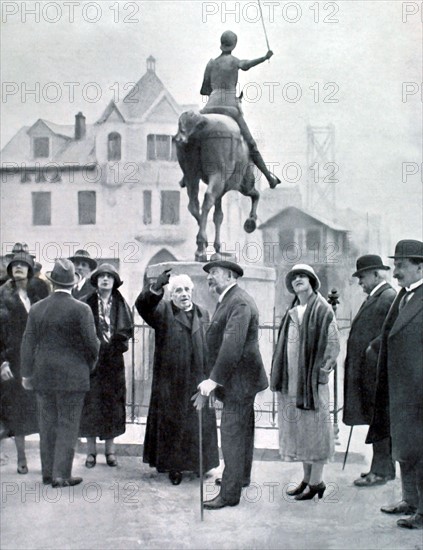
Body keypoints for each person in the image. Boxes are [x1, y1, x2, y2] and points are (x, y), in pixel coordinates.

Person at [20, 259, 100, 487]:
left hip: (42, 376)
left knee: (47, 425)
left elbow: (27, 344)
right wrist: (88, 366)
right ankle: (61, 475)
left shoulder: (37, 309)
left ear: (53, 283)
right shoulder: (82, 309)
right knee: (68, 425)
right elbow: (92, 345)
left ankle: (47, 474)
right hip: (73, 378)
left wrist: (26, 374)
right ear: (73, 282)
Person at [135, 270, 219, 485]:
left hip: (197, 378)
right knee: (174, 424)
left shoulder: (203, 313)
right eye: (178, 290)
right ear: (171, 295)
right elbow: (143, 306)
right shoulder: (163, 312)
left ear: (192, 292)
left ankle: (200, 464)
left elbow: (209, 348)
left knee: (198, 423)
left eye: (187, 290)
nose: (183, 294)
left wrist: (210, 379)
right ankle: (175, 467)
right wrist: (155, 288)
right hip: (171, 382)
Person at [198, 254, 268, 509]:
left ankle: (229, 494)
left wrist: (213, 379)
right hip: (243, 379)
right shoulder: (231, 298)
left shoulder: (238, 302)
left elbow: (232, 345)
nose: (209, 276)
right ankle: (240, 478)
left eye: (214, 271)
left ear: (230, 275)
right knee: (243, 432)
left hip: (239, 381)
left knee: (231, 434)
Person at [270, 264, 340, 501]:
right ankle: (307, 480)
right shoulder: (293, 310)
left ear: (311, 281)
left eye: (302, 276)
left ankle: (317, 481)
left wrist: (321, 374)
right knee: (300, 432)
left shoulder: (322, 309)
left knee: (316, 432)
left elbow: (333, 345)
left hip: (311, 385)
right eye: (294, 277)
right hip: (292, 382)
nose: (298, 279)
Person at [368, 240, 423, 529]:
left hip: (417, 389)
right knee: (405, 447)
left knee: (421, 450)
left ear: (420, 266)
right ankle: (409, 499)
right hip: (397, 386)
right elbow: (393, 332)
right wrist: (375, 346)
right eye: (396, 264)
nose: (396, 270)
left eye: (402, 265)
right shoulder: (404, 295)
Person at [199, 30, 281, 189]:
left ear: (221, 43)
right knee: (251, 143)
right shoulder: (234, 61)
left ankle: (186, 175)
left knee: (192, 134)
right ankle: (269, 177)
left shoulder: (211, 63)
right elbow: (246, 65)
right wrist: (265, 58)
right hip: (230, 107)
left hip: (209, 108)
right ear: (234, 45)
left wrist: (216, 90)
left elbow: (203, 90)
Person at [343, 255, 396, 487]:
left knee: (380, 421)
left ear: (376, 274)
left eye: (362, 277)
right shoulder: (376, 297)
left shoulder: (388, 298)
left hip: (376, 373)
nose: (360, 282)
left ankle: (382, 472)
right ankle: (380, 468)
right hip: (369, 372)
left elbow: (389, 336)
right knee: (377, 420)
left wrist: (369, 353)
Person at [79, 264, 134, 468]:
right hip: (92, 361)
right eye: (101, 276)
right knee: (91, 404)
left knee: (112, 404)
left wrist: (115, 344)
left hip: (113, 361)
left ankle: (110, 452)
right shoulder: (87, 303)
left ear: (114, 281)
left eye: (109, 277)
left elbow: (127, 330)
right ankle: (91, 453)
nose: (105, 280)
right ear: (96, 281)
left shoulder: (121, 304)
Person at [0, 252, 45, 474]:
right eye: (14, 265)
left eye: (22, 265)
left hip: (40, 362)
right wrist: (2, 362)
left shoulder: (39, 295)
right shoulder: (2, 297)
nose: (18, 268)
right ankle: (21, 457)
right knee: (18, 411)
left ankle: (49, 459)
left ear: (29, 270)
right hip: (15, 362)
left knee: (43, 409)